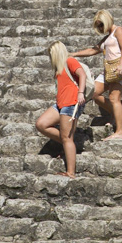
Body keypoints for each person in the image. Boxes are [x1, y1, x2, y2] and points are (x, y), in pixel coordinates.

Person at [70, 10, 122, 140]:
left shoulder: (118, 31)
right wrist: (74, 54)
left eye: (101, 24)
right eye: (98, 26)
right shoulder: (108, 37)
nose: (100, 28)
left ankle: (119, 131)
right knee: (93, 92)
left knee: (115, 97)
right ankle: (115, 113)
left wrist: (121, 65)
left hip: (119, 67)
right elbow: (93, 50)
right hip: (108, 70)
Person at [35, 41, 86, 178]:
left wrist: (80, 93)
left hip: (71, 103)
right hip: (60, 104)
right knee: (41, 124)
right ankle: (67, 143)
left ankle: (71, 172)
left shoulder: (70, 60)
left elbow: (82, 75)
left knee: (67, 138)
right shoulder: (59, 66)